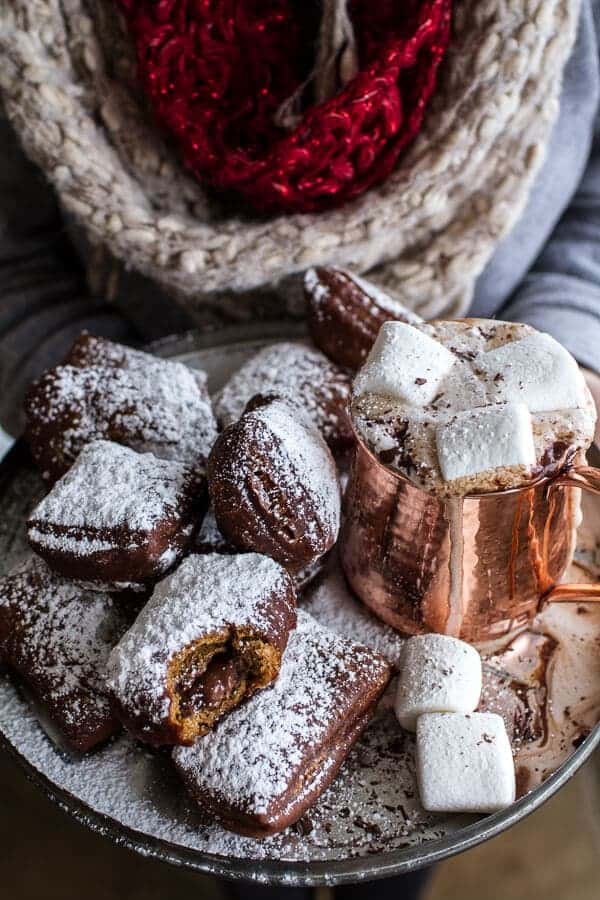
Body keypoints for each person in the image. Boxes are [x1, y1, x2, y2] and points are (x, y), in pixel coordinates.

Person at [1, 2, 600, 897]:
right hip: (186, 415)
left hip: (471, 536)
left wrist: (539, 397)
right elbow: (13, 262)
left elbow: (592, 216)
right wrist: (105, 411)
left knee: (404, 849)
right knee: (249, 867)